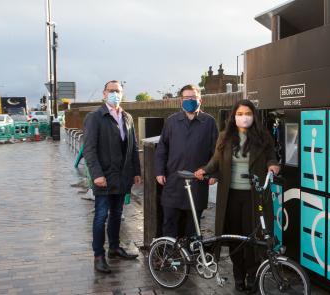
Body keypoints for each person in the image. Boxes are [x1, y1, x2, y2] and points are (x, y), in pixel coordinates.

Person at [195, 99, 280, 293]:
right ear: (234, 116)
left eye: (248, 114)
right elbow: (215, 162)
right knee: (235, 238)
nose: (244, 117)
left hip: (254, 196)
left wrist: (273, 166)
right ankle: (238, 276)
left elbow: (272, 158)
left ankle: (252, 275)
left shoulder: (263, 137)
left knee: (252, 238)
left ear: (254, 116)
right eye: (240, 114)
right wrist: (203, 170)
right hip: (230, 196)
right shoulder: (224, 137)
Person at [83, 80, 141, 274]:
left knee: (117, 214)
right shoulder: (95, 117)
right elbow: (89, 150)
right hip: (104, 177)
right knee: (101, 216)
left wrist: (136, 172)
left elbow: (132, 147)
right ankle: (98, 256)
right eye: (112, 91)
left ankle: (114, 248)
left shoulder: (128, 117)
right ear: (104, 93)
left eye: (118, 91)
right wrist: (96, 175)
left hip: (122, 177)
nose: (115, 94)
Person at [154, 84, 218, 239]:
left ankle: (190, 256)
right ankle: (169, 255)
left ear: (200, 100)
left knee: (193, 224)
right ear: (180, 101)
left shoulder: (209, 122)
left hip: (197, 180)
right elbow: (162, 148)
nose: (190, 100)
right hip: (173, 180)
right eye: (186, 98)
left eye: (193, 97)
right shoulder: (171, 121)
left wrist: (214, 173)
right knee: (170, 221)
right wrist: (159, 171)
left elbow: (216, 152)